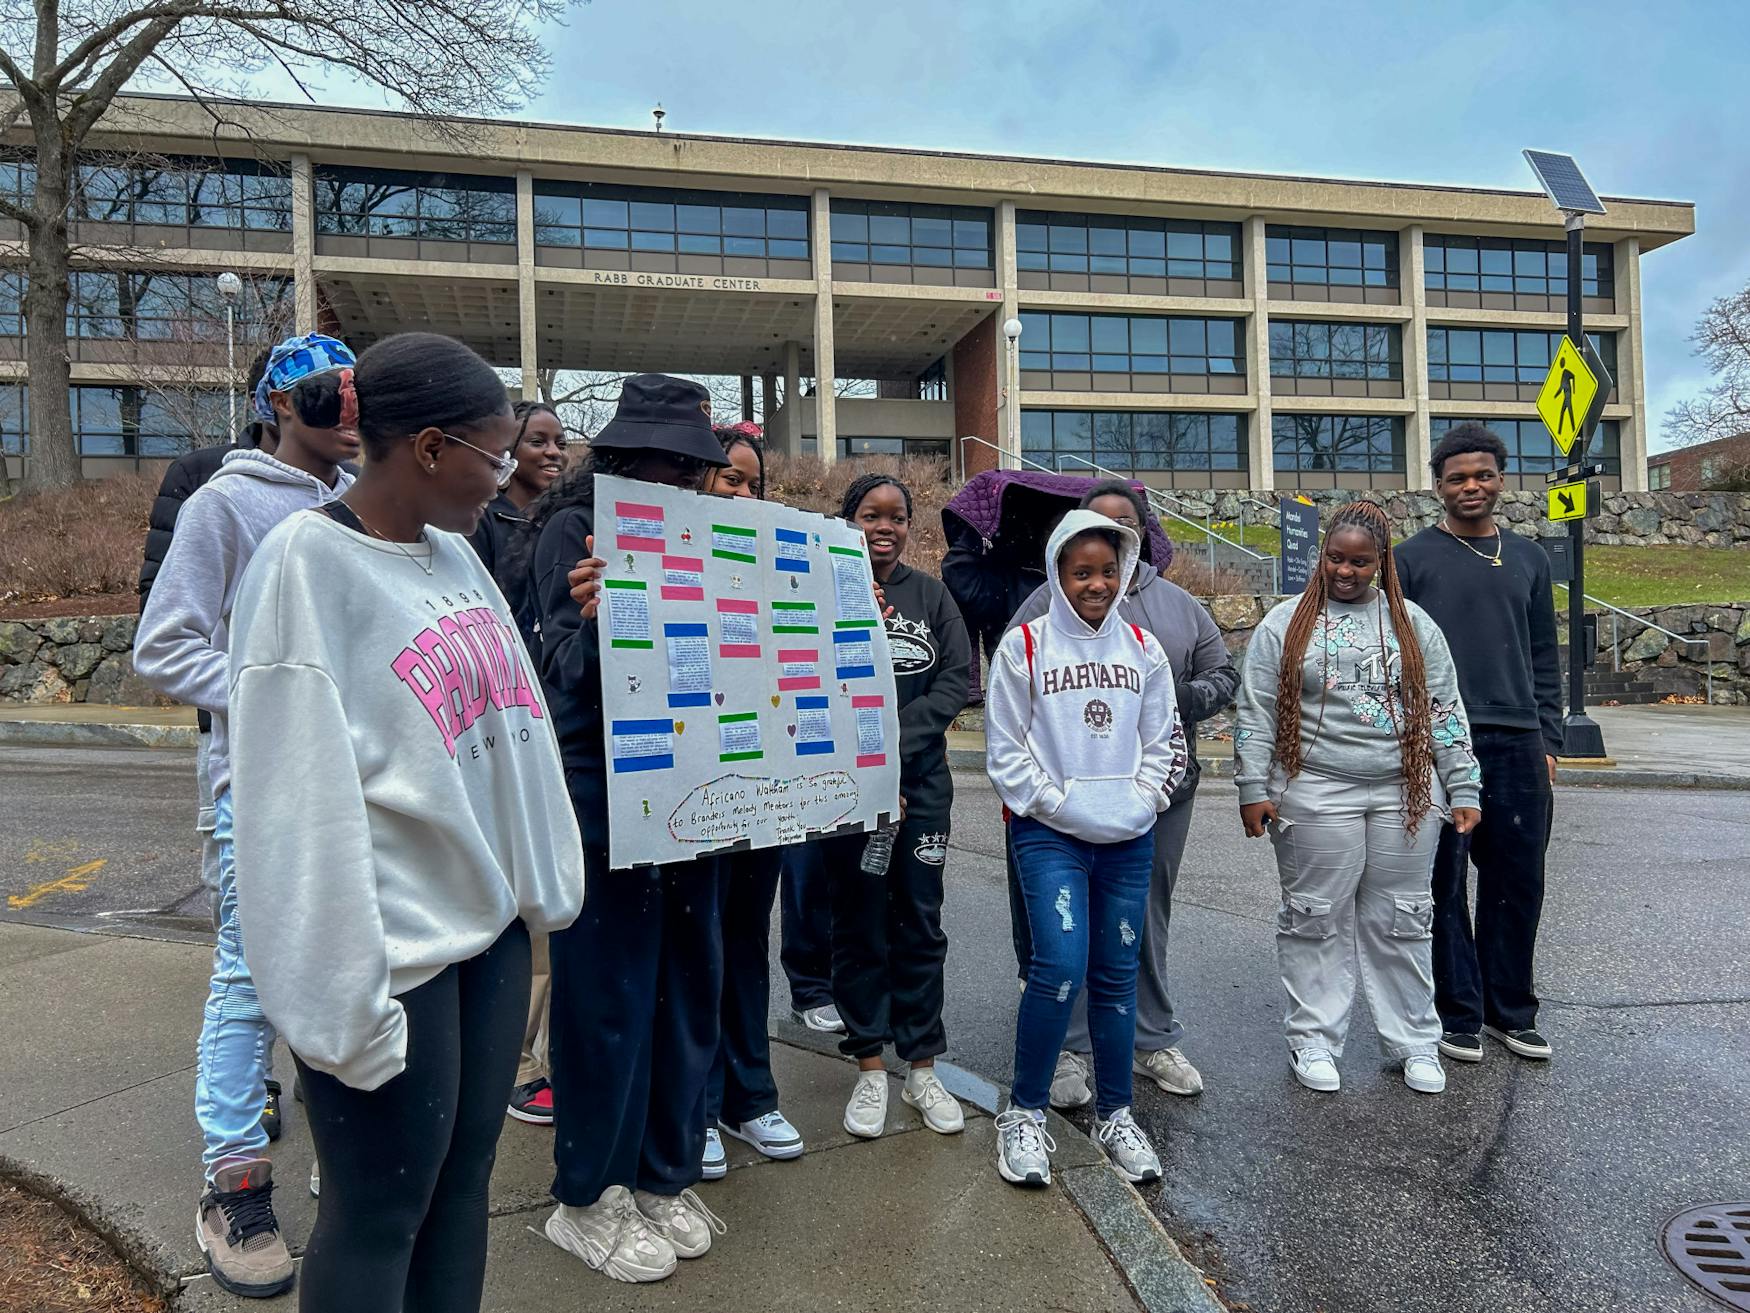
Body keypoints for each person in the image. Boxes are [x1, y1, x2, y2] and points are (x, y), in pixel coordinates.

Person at [225, 332, 582, 1313]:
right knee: (381, 1207)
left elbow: (514, 732)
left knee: (459, 1193)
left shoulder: (454, 558)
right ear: (427, 447)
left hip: (488, 930)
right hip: (390, 954)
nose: (510, 472)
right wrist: (337, 1001)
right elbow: (290, 814)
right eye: (494, 451)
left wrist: (540, 887)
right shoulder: (304, 568)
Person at [132, 332, 359, 1299]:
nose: (350, 405)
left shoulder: (360, 504)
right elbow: (163, 644)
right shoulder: (226, 503)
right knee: (249, 973)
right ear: (278, 403)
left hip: (357, 784)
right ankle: (234, 1181)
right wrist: (277, 692)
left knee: (349, 964)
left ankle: (345, 1156)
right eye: (328, 390)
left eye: (360, 389)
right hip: (257, 782)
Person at [528, 374, 731, 1285]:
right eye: (668, 464)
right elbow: (559, 673)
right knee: (605, 998)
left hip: (701, 796)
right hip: (607, 799)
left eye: (697, 470)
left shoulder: (725, 537)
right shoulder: (571, 535)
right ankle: (587, 1194)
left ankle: (662, 1173)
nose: (683, 483)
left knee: (690, 987)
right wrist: (605, 619)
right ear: (622, 458)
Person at [1235, 501, 1482, 1097]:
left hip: (1407, 791)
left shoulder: (1413, 624)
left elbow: (1443, 707)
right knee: (1313, 917)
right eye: (1335, 558)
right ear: (1322, 555)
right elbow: (1257, 707)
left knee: (1403, 918)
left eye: (1360, 562)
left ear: (1381, 563)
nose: (1346, 571)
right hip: (1314, 788)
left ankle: (1415, 1042)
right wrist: (1251, 785)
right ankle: (1314, 1041)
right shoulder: (1284, 622)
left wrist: (1463, 781)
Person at [1007, 480, 1235, 1108]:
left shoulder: (1180, 607)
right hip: (1063, 808)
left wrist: (1161, 707)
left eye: (1121, 530)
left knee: (1140, 921)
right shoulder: (1039, 607)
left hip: (1157, 797)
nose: (1100, 574)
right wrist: (1049, 799)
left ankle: (1151, 1035)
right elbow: (1014, 707)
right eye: (1092, 529)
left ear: (1138, 536)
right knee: (1065, 929)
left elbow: (1223, 676)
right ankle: (1069, 1047)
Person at [986, 510, 1187, 1188]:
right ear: (1058, 575)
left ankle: (1116, 1113)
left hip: (1127, 836)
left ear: (1124, 572)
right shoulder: (1026, 647)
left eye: (1108, 570)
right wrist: (1055, 802)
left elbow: (1164, 741)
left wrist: (1144, 800)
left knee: (1115, 975)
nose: (1096, 583)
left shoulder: (1144, 649)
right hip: (1051, 834)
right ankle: (1024, 1112)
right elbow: (1005, 749)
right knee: (1059, 966)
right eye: (1082, 572)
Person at [1394, 423, 1563, 1063]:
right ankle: (1457, 1014)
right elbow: (1395, 657)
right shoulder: (1409, 560)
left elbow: (1544, 653)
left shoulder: (1529, 557)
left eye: (1484, 475)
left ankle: (1509, 1011)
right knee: (1441, 884)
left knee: (1516, 880)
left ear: (1500, 480)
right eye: (1458, 477)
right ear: (1438, 486)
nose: (1472, 486)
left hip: (1519, 740)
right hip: (1439, 739)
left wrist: (1548, 736)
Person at [820, 474, 970, 1142]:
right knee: (860, 924)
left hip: (924, 786)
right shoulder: (819, 595)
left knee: (920, 922)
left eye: (898, 516)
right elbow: (810, 685)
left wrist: (895, 749)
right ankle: (870, 1067)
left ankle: (922, 1066)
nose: (885, 526)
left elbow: (954, 681)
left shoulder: (932, 596)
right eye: (870, 514)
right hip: (850, 791)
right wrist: (871, 766)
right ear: (846, 519)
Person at [695, 422, 807, 1180]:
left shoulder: (776, 564)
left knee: (744, 945)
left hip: (760, 795)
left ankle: (750, 1095)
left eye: (752, 482)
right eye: (728, 478)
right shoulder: (656, 557)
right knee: (697, 951)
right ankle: (696, 1105)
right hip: (687, 794)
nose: (741, 492)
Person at [466, 398, 569, 1129]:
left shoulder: (571, 521)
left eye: (561, 441)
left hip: (557, 723)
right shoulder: (479, 525)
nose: (553, 451)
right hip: (500, 727)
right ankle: (519, 1066)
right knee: (520, 911)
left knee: (554, 896)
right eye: (537, 440)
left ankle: (544, 1057)